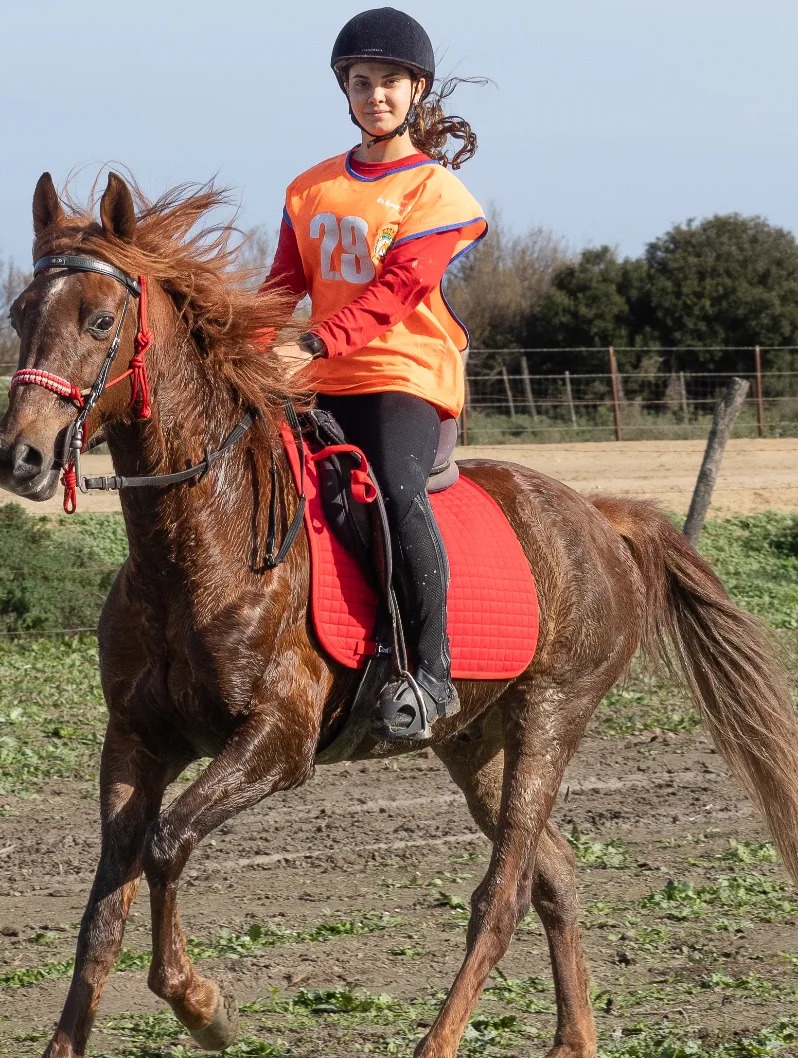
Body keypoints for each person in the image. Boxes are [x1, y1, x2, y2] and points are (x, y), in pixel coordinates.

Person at [264, 7, 488, 741]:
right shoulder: (308, 188)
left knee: (391, 490)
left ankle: (431, 671)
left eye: (391, 81)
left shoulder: (437, 194)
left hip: (404, 372)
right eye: (362, 82)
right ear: (346, 92)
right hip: (320, 373)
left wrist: (317, 343)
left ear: (416, 89)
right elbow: (280, 285)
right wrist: (248, 343)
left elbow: (399, 291)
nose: (376, 95)